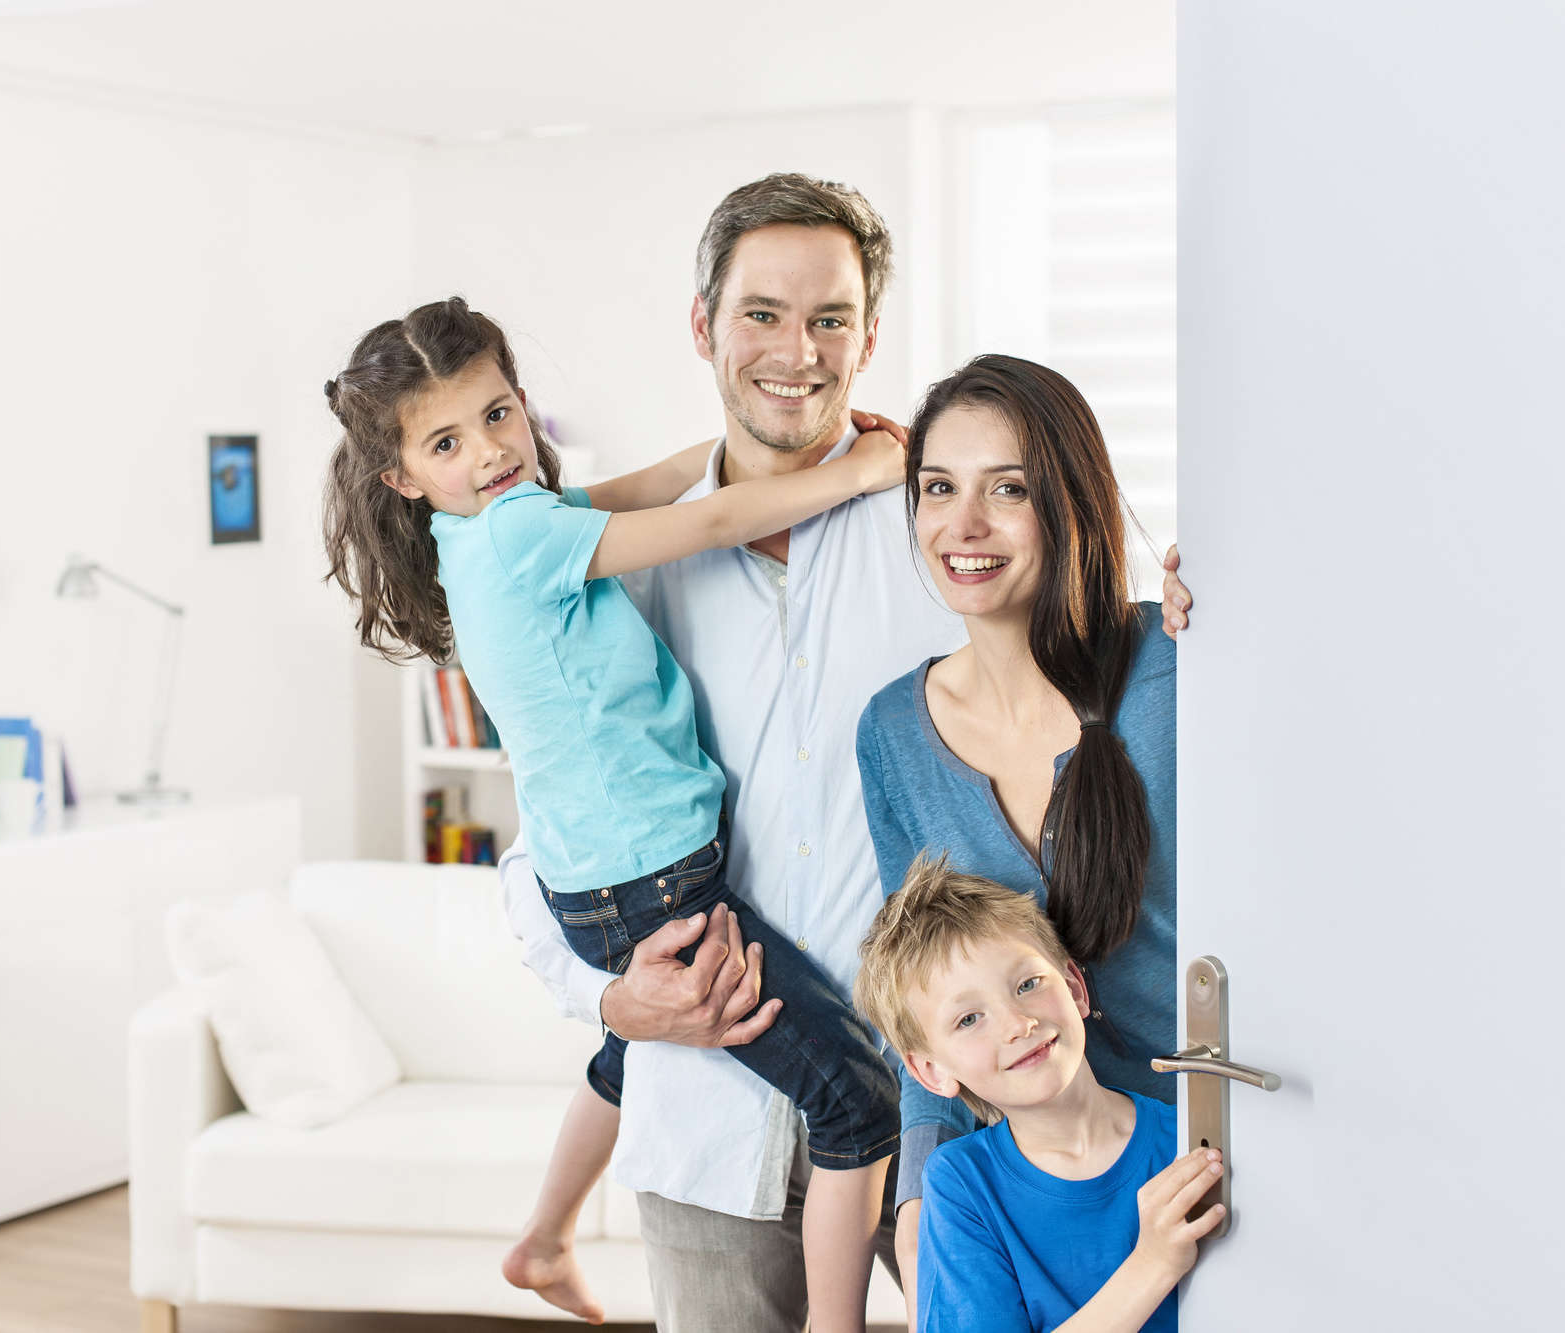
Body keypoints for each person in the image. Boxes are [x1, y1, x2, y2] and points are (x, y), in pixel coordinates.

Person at [501, 175, 1189, 1331]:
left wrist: (1188, 597)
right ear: (703, 327)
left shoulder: (937, 527)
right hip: (712, 1118)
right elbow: (548, 844)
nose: (796, 351)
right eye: (760, 314)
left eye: (830, 319)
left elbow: (1090, 616)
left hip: (965, 1117)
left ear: (870, 336)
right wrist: (614, 998)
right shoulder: (617, 576)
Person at [320, 295, 905, 1332]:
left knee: (632, 1048)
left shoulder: (495, 527)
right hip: (655, 878)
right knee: (854, 1093)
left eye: (500, 415)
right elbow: (709, 521)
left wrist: (738, 445)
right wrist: (858, 471)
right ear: (403, 478)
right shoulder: (517, 540)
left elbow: (643, 485)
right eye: (448, 442)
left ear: (523, 404)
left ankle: (544, 1236)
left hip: (601, 880)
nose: (492, 452)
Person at [855, 353, 1178, 1310]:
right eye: (938, 489)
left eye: (1010, 490)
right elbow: (920, 981)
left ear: (1071, 501)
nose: (966, 526)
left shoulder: (1176, 662)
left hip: (1200, 1153)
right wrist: (914, 1193)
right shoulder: (892, 733)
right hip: (1041, 1191)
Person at [855, 856, 1222, 1332]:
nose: (1017, 1024)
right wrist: (1153, 1263)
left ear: (1074, 988)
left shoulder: (1191, 1141)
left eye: (1028, 984)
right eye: (969, 1019)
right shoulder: (962, 1185)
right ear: (933, 1071)